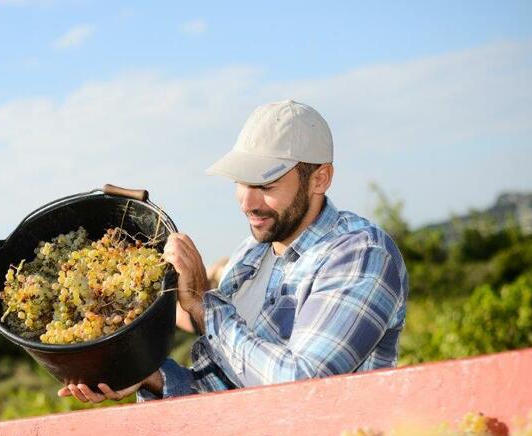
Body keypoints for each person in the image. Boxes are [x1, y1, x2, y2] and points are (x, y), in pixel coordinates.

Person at [58, 100, 409, 403]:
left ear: (320, 178)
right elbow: (228, 387)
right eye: (241, 182)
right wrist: (151, 377)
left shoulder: (359, 254)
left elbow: (302, 387)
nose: (247, 202)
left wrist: (200, 301)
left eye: (266, 185)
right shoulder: (251, 255)